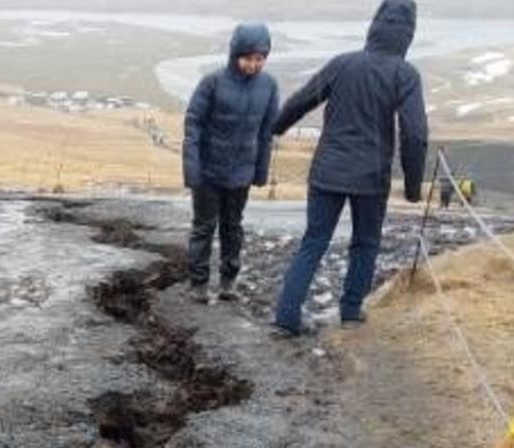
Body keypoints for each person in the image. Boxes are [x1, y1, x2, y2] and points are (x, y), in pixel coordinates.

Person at [270, 0, 428, 335]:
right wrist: (413, 187)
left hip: (327, 170)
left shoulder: (343, 64)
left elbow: (301, 100)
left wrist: (275, 128)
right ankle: (352, 310)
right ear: (408, 35)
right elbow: (415, 134)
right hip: (371, 178)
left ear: (374, 27)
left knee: (313, 241)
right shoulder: (405, 74)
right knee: (366, 243)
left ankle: (287, 315)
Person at [182, 23, 280, 303]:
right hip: (208, 171)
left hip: (241, 173)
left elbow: (266, 133)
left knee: (233, 226)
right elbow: (193, 125)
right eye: (248, 58)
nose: (253, 64)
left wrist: (260, 172)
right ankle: (198, 284)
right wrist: (192, 170)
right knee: (204, 226)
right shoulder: (212, 82)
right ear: (235, 54)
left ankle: (228, 282)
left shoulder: (269, 86)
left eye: (260, 59)